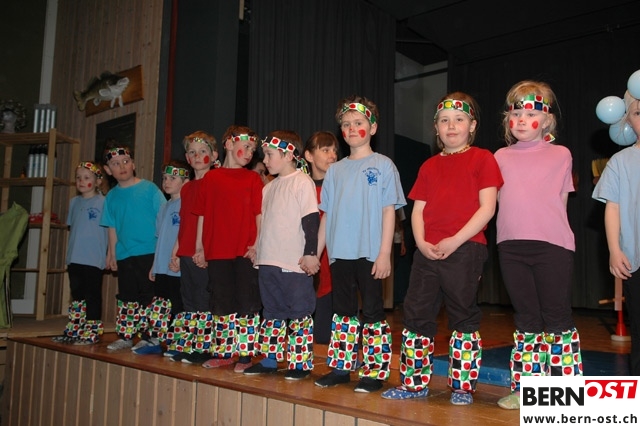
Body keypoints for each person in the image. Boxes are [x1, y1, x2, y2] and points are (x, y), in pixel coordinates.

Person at [381, 93, 503, 405]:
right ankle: (413, 384)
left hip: (465, 248)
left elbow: (487, 208)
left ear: (472, 125)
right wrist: (421, 243)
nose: (451, 126)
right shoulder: (429, 165)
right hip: (428, 251)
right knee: (416, 313)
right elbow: (418, 210)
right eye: (444, 121)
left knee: (462, 314)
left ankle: (462, 387)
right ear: (436, 128)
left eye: (459, 120)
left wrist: (455, 240)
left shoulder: (483, 159)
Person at [495, 81, 583, 409]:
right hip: (511, 246)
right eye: (516, 113)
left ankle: (564, 391)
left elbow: (561, 201)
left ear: (546, 120)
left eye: (531, 114)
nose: (521, 120)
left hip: (552, 246)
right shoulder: (500, 156)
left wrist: (559, 238)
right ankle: (526, 389)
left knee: (557, 317)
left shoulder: (561, 154)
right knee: (526, 318)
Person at [314, 95, 406, 393]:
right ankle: (341, 368)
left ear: (373, 127)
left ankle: (375, 372)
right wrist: (316, 253)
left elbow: (389, 211)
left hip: (370, 252)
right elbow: (327, 215)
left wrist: (384, 253)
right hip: (339, 254)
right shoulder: (335, 170)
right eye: (346, 124)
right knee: (342, 312)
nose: (352, 128)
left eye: (358, 123)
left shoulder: (384, 165)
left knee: (373, 312)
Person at [243, 130, 320, 380]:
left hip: (293, 263)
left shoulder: (302, 182)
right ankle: (269, 360)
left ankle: (300, 363)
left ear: (288, 155)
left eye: (269, 155)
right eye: (264, 155)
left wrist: (310, 253)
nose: (265, 160)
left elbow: (311, 220)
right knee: (272, 310)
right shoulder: (268, 188)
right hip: (268, 261)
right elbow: (264, 223)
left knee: (299, 311)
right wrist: (257, 246)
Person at [192, 125, 264, 372]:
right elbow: (202, 215)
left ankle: (245, 355)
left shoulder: (253, 179)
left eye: (253, 149)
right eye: (247, 146)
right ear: (229, 144)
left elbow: (259, 214)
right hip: (217, 251)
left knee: (247, 301)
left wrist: (257, 243)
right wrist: (200, 247)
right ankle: (224, 352)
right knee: (221, 302)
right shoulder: (211, 178)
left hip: (244, 251)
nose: (250, 152)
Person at [99, 143, 166, 351]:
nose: (122, 167)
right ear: (108, 170)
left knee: (149, 295)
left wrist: (162, 253)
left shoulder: (149, 189)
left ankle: (151, 337)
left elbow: (163, 219)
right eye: (115, 164)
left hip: (149, 252)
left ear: (133, 164)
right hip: (124, 254)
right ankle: (126, 336)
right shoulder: (111, 197)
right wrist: (112, 253)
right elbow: (111, 226)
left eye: (126, 161)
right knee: (127, 296)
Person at [593, 89, 640, 377]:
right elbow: (612, 206)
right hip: (636, 258)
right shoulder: (620, 161)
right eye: (638, 112)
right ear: (627, 121)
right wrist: (614, 249)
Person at [167, 131, 219, 361]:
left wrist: (203, 249)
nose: (197, 156)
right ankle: (189, 343)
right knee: (188, 299)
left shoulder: (214, 183)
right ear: (187, 158)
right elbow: (184, 221)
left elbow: (211, 220)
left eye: (203, 152)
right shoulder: (186, 188)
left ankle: (204, 348)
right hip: (186, 251)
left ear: (213, 156)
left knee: (202, 299)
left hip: (203, 253)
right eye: (192, 152)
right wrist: (176, 250)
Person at [133, 160, 191, 355]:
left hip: (176, 267)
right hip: (161, 267)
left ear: (185, 181)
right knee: (159, 306)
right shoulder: (164, 207)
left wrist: (179, 258)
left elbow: (185, 236)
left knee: (177, 306)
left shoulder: (187, 204)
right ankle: (155, 340)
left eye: (172, 178)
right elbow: (160, 238)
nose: (167, 182)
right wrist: (154, 265)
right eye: (165, 178)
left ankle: (178, 343)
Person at [53, 161, 108, 344]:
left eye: (86, 178)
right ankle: (75, 329)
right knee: (77, 295)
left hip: (93, 258)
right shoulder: (74, 202)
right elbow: (74, 228)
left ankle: (92, 331)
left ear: (98, 181)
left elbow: (110, 231)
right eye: (78, 178)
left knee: (92, 295)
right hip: (74, 258)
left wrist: (110, 254)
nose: (81, 181)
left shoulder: (104, 203)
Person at [303, 131, 339, 344]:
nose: (332, 155)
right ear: (309, 155)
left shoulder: (339, 186)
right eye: (325, 150)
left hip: (334, 269)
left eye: (334, 150)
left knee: (330, 336)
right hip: (307, 267)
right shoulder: (301, 187)